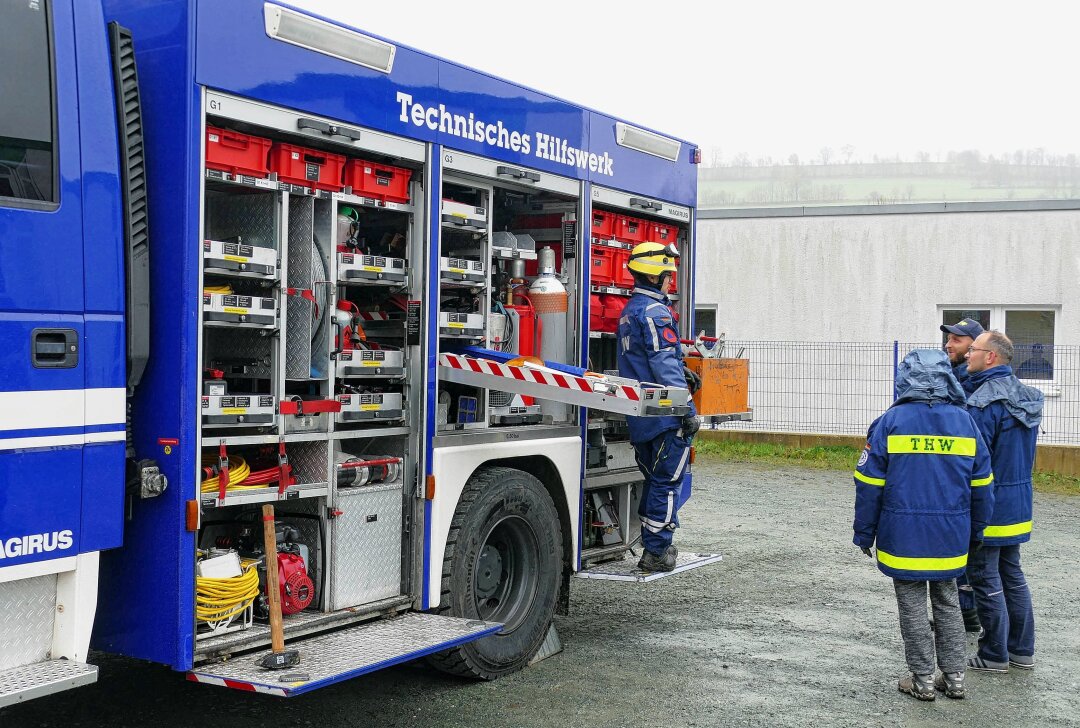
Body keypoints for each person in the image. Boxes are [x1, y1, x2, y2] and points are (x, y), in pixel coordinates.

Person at [853, 349, 993, 701]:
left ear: (905, 379)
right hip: (950, 534)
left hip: (903, 535)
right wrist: (975, 532)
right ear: (947, 378)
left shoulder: (890, 422)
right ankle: (955, 677)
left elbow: (869, 486)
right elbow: (982, 488)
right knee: (947, 600)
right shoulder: (965, 423)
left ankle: (922, 679)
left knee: (912, 604)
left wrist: (864, 532)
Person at [617, 241, 700, 573]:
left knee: (654, 480)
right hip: (666, 416)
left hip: (642, 417)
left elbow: (650, 360)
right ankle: (656, 552)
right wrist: (687, 409)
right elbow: (663, 362)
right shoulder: (655, 311)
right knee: (667, 483)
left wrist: (683, 369)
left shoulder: (632, 310)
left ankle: (653, 545)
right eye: (668, 275)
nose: (671, 281)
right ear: (656, 276)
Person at [963, 330, 1043, 673]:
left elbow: (974, 461)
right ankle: (1021, 650)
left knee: (984, 576)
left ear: (991, 357)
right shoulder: (1028, 397)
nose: (968, 354)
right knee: (1012, 574)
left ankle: (994, 653)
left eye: (974, 350)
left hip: (991, 504)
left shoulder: (983, 403)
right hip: (1019, 503)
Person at [940, 317, 985, 388]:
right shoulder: (945, 373)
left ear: (975, 345)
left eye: (956, 340)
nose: (947, 345)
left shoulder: (980, 381)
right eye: (948, 339)